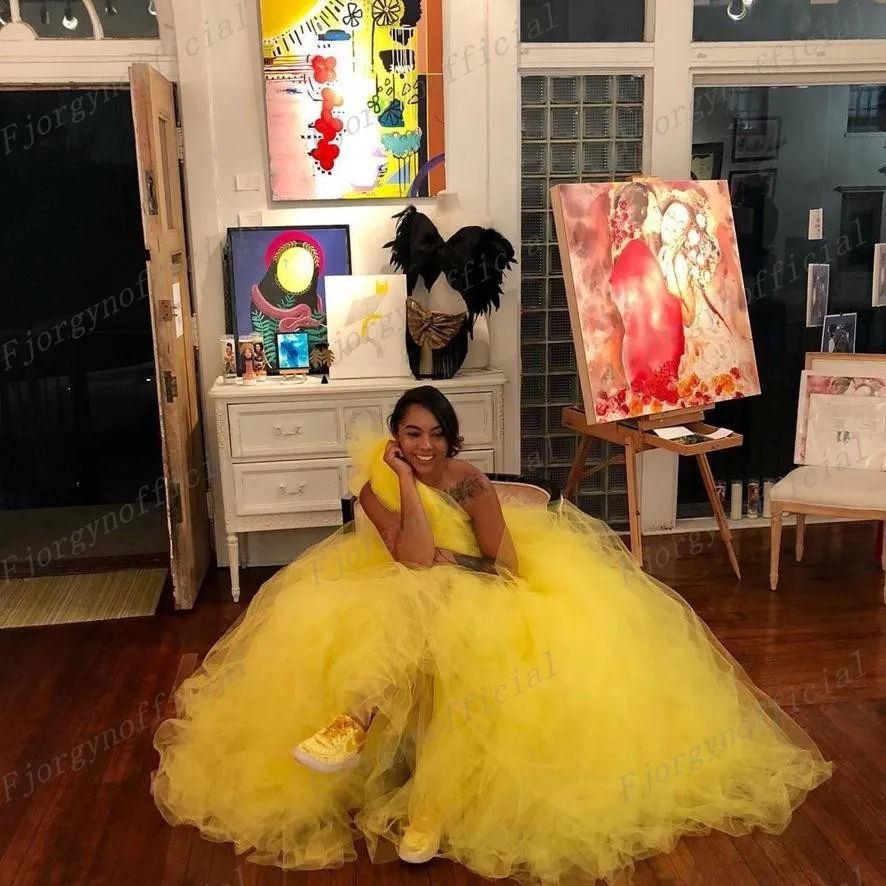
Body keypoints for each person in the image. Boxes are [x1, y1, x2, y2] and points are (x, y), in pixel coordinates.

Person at [151, 386, 832, 883]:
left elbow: (503, 569)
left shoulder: (471, 484)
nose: (423, 447)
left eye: (433, 436)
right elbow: (410, 558)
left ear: (450, 440)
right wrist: (405, 487)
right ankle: (389, 765)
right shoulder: (376, 486)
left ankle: (387, 759)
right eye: (411, 435)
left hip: (487, 588)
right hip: (406, 590)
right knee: (412, 613)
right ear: (395, 438)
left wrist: (454, 559)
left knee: (434, 625)